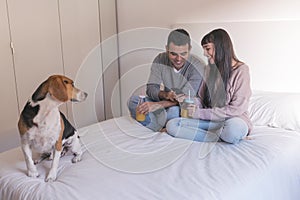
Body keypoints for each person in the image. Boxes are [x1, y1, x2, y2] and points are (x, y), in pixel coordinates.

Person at [166, 28, 252, 144]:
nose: (204, 53)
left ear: (220, 47)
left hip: (232, 120)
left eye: (207, 49)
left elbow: (236, 109)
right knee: (172, 125)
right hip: (212, 122)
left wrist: (199, 113)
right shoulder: (208, 70)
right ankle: (217, 137)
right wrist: (187, 100)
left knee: (233, 130)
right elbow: (202, 100)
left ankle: (221, 134)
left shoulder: (241, 70)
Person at [127, 28, 205, 131]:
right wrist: (165, 95)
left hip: (182, 106)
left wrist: (157, 105)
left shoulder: (197, 66)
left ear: (189, 49)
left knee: (173, 112)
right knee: (134, 101)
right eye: (173, 54)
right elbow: (151, 88)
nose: (178, 59)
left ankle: (156, 123)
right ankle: (161, 126)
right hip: (165, 101)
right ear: (166, 48)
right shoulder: (160, 59)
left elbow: (185, 98)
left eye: (183, 54)